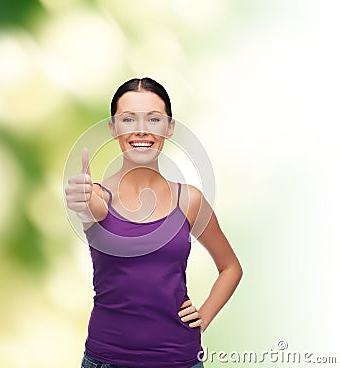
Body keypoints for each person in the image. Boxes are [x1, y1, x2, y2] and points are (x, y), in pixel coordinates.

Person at [64, 77, 243, 368]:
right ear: (113, 128)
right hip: (106, 360)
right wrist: (81, 198)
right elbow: (90, 209)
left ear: (169, 128)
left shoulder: (189, 200)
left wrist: (205, 315)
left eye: (154, 119)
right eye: (128, 119)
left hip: (179, 359)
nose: (141, 130)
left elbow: (231, 268)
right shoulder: (97, 197)